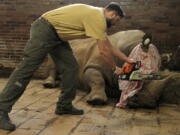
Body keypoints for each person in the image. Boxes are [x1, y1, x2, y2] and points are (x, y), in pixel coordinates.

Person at [0, 2, 134, 131]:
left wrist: (128, 59)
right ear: (112, 14)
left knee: (71, 68)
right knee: (26, 69)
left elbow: (109, 46)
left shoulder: (97, 17)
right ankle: (1, 111)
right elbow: (104, 51)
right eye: (117, 21)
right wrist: (114, 68)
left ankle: (64, 106)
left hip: (58, 36)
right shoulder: (97, 17)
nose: (115, 24)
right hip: (45, 29)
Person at [116, 34, 161, 108]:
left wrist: (150, 68)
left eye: (147, 45)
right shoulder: (137, 48)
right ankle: (124, 100)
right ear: (142, 41)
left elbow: (155, 59)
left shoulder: (152, 48)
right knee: (129, 79)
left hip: (149, 68)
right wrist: (136, 67)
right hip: (138, 66)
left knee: (140, 78)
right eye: (144, 45)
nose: (145, 47)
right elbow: (132, 59)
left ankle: (132, 97)